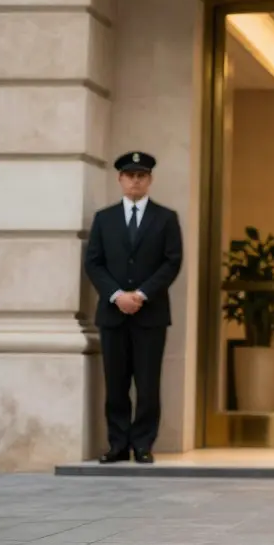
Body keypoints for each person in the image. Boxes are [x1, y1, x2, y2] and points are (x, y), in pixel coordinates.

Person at [84, 151, 183, 464]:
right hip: (113, 315)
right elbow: (94, 263)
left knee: (148, 383)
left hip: (150, 315)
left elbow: (172, 262)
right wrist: (117, 295)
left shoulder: (166, 218)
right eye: (130, 175)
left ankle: (142, 444)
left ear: (149, 180)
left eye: (141, 175)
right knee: (116, 383)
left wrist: (140, 294)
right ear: (120, 179)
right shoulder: (104, 218)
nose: (135, 180)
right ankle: (117, 444)